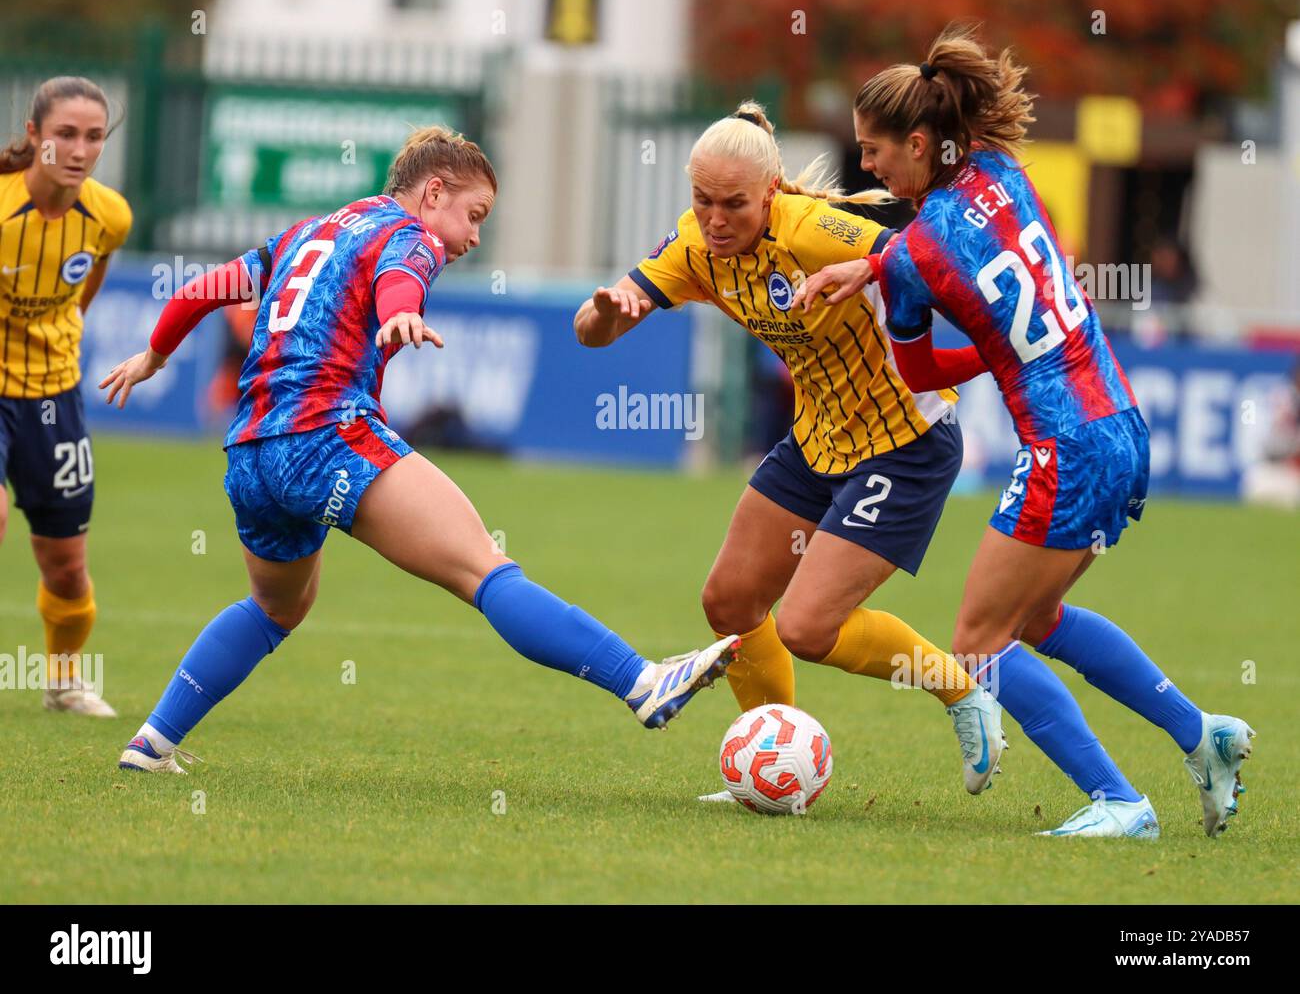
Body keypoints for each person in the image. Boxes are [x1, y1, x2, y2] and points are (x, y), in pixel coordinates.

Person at [100, 125, 738, 774]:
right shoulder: (410, 232)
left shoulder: (303, 234)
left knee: (275, 607)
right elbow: (405, 269)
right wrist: (401, 309)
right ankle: (641, 681)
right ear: (433, 191)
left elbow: (200, 290)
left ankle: (151, 741)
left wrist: (155, 352)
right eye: (474, 215)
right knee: (485, 570)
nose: (472, 237)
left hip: (250, 453)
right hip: (327, 436)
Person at [796, 24, 1254, 838]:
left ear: (918, 141)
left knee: (974, 642)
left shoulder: (910, 261)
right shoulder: (1003, 170)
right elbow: (946, 238)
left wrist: (898, 293)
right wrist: (875, 262)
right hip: (1120, 422)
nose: (865, 167)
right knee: (1036, 621)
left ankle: (1121, 801)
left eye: (873, 151)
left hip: (1062, 445)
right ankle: (1202, 735)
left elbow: (919, 373)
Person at [574, 101, 1006, 804]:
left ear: (771, 193)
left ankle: (963, 691)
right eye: (702, 200)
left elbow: (924, 253)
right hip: (818, 438)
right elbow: (591, 332)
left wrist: (878, 273)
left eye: (734, 204)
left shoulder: (811, 231)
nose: (715, 219)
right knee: (731, 598)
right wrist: (606, 311)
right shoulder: (692, 248)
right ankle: (772, 763)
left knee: (807, 625)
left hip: (906, 442)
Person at [0, 76, 132, 717]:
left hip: (54, 398)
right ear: (34, 138)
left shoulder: (109, 215)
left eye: (93, 137)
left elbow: (84, 291)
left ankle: (62, 681)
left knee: (66, 566)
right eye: (64, 135)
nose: (79, 150)